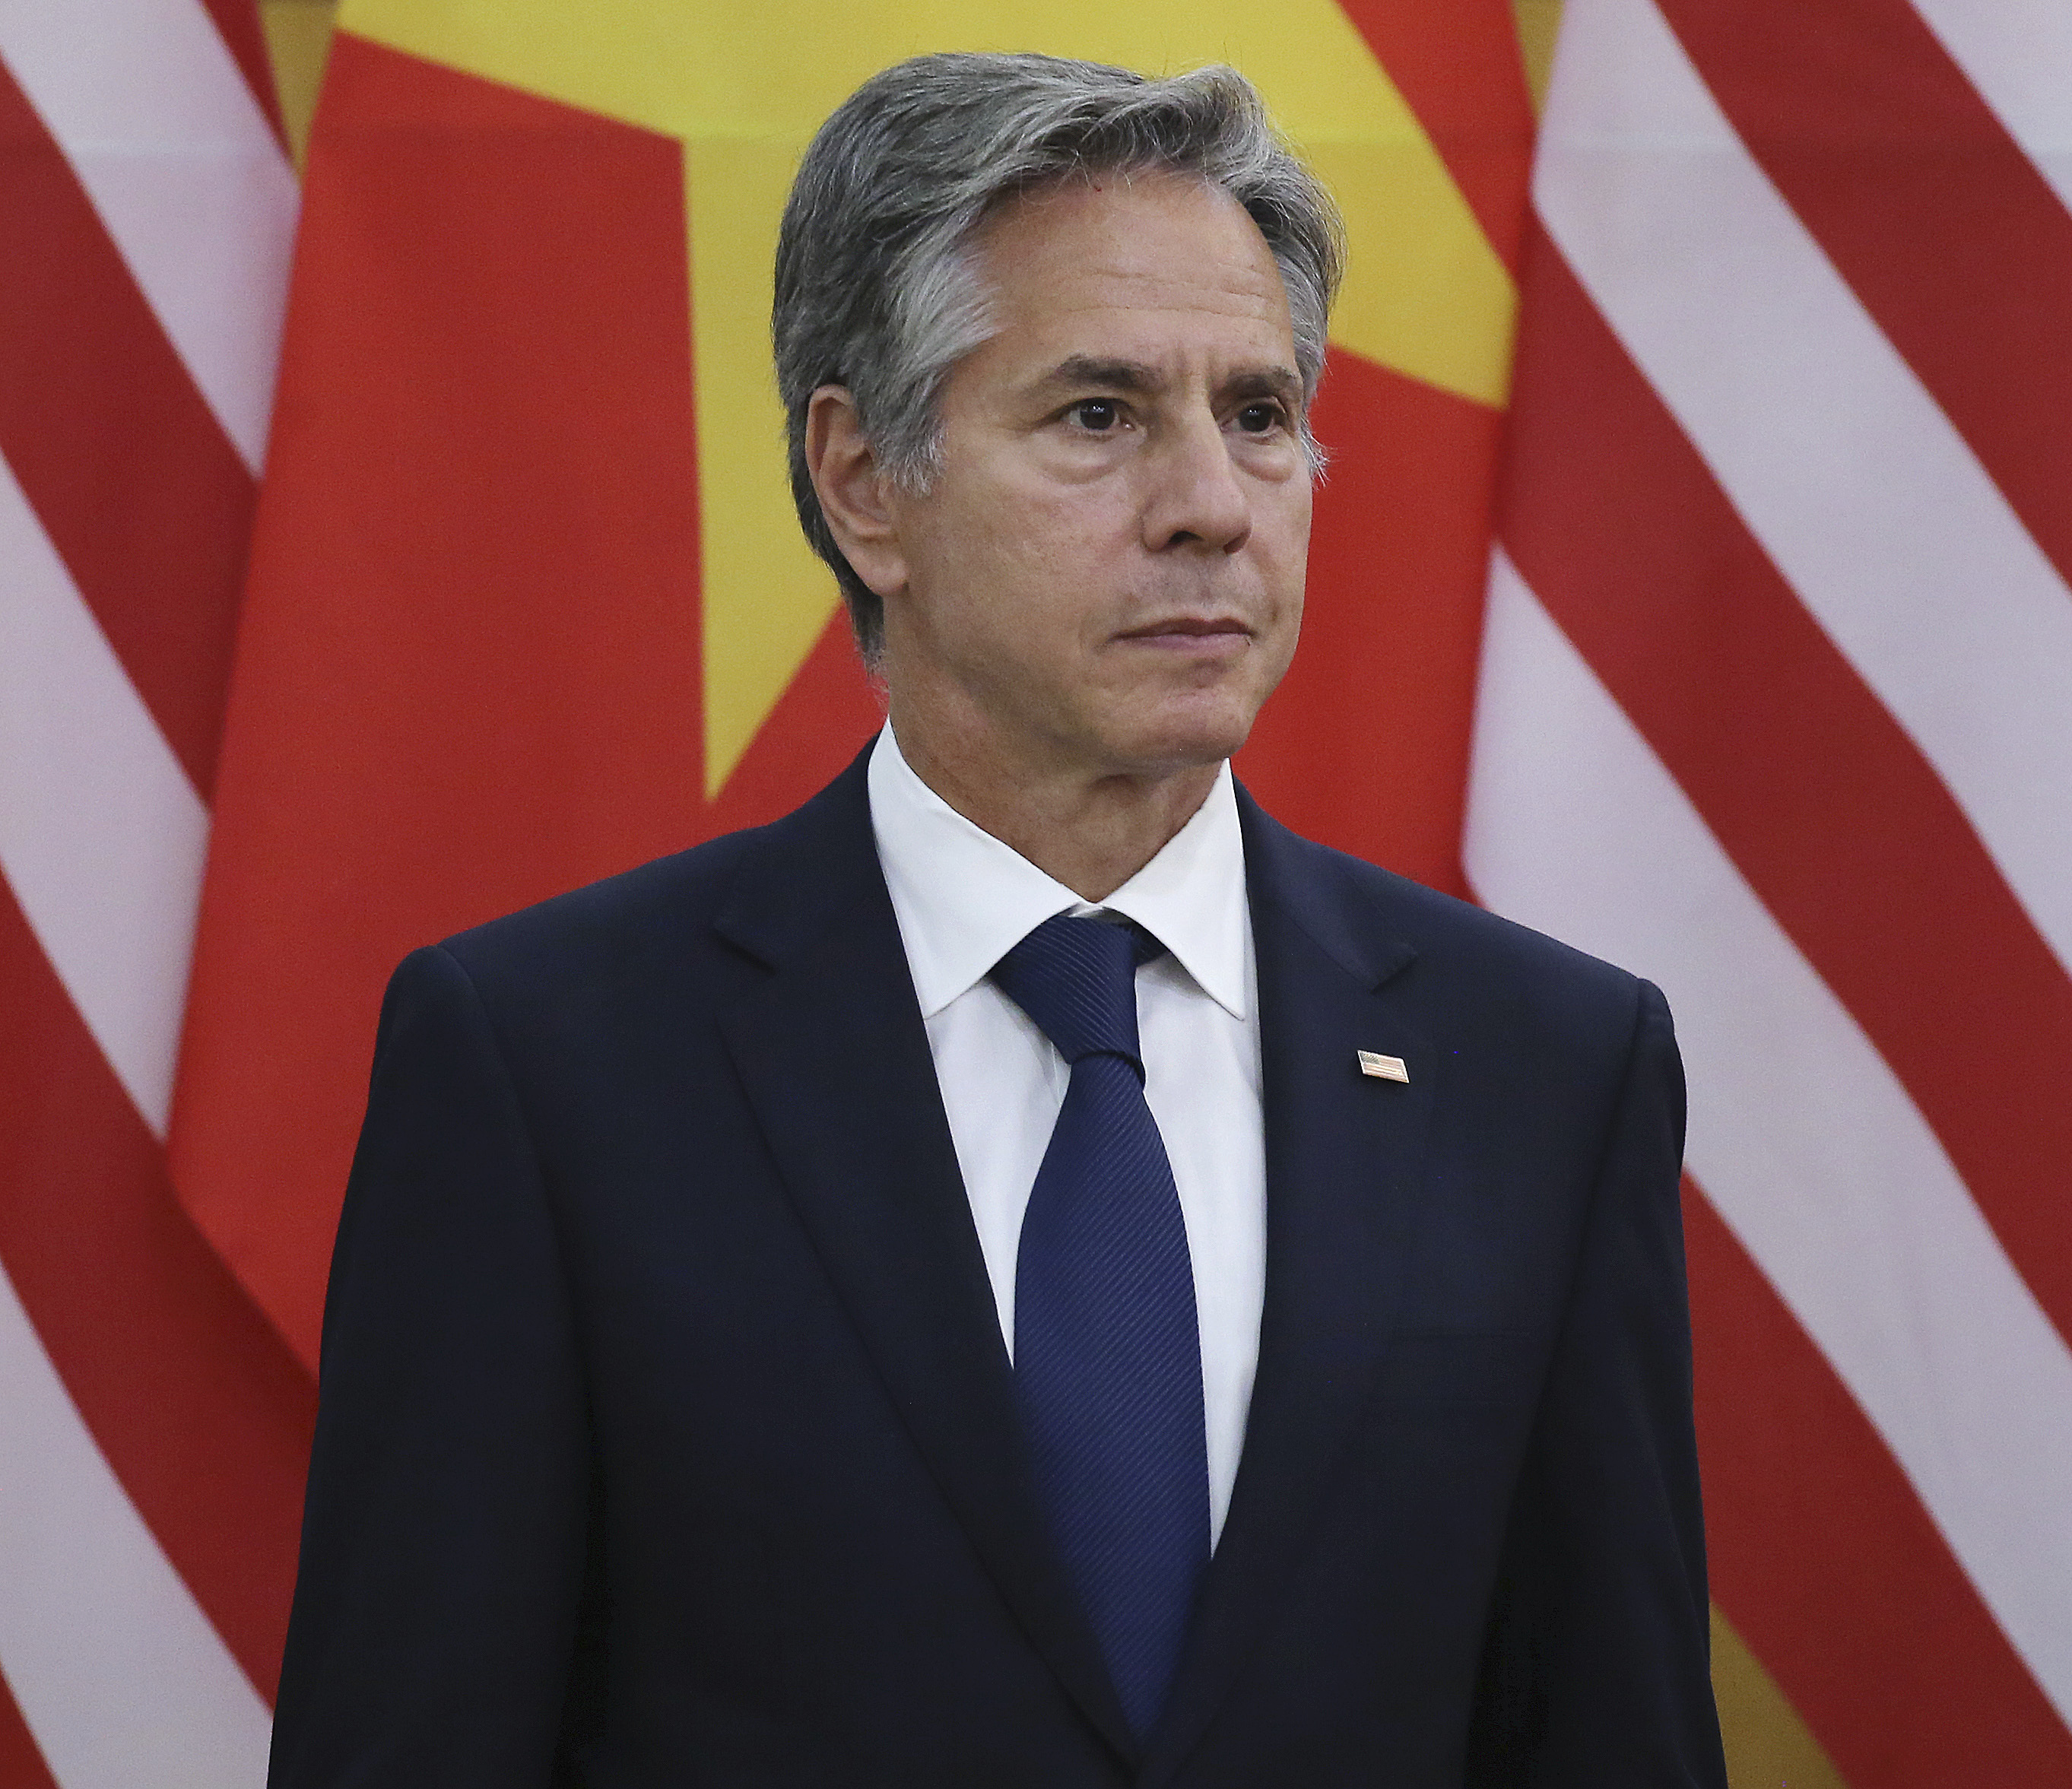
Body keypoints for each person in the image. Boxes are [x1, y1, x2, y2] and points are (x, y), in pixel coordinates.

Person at [268, 52, 1722, 1787]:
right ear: (866, 479)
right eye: (1099, 415)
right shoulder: (546, 1066)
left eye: (1258, 412)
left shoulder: (1546, 1067)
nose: (1211, 503)